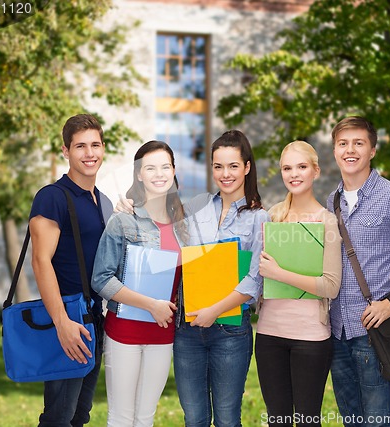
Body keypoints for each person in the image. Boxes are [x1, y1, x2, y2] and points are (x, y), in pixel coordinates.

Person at [326, 116, 390, 427]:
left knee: (378, 422)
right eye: (343, 144)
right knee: (351, 421)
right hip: (337, 331)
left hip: (375, 332)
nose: (350, 150)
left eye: (359, 143)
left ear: (372, 150)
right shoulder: (331, 203)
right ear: (334, 150)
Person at [174, 130, 270, 427]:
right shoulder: (196, 208)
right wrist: (129, 205)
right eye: (218, 166)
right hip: (188, 329)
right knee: (194, 419)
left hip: (230, 331)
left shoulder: (259, 218)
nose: (225, 174)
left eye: (232, 166)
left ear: (247, 167)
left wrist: (213, 311)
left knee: (227, 419)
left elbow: (255, 280)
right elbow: (164, 232)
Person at [91, 141, 187, 426]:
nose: (159, 174)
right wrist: (151, 305)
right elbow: (101, 279)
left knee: (146, 417)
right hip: (125, 333)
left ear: (173, 171)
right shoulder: (123, 220)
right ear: (139, 174)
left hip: (164, 334)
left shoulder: (185, 224)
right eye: (150, 167)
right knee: (121, 417)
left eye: (165, 166)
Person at [29, 114, 113, 427]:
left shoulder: (101, 201)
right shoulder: (52, 197)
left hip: (94, 321)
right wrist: (61, 321)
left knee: (79, 416)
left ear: (103, 148)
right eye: (80, 146)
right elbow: (41, 261)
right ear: (66, 151)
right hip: (68, 321)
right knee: (58, 418)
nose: (89, 153)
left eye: (95, 145)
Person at [256, 141, 342, 426]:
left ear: (315, 171)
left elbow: (330, 286)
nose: (294, 174)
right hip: (269, 335)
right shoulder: (272, 217)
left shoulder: (327, 222)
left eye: (302, 167)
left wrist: (279, 273)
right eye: (287, 168)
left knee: (307, 421)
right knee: (277, 421)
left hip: (310, 338)